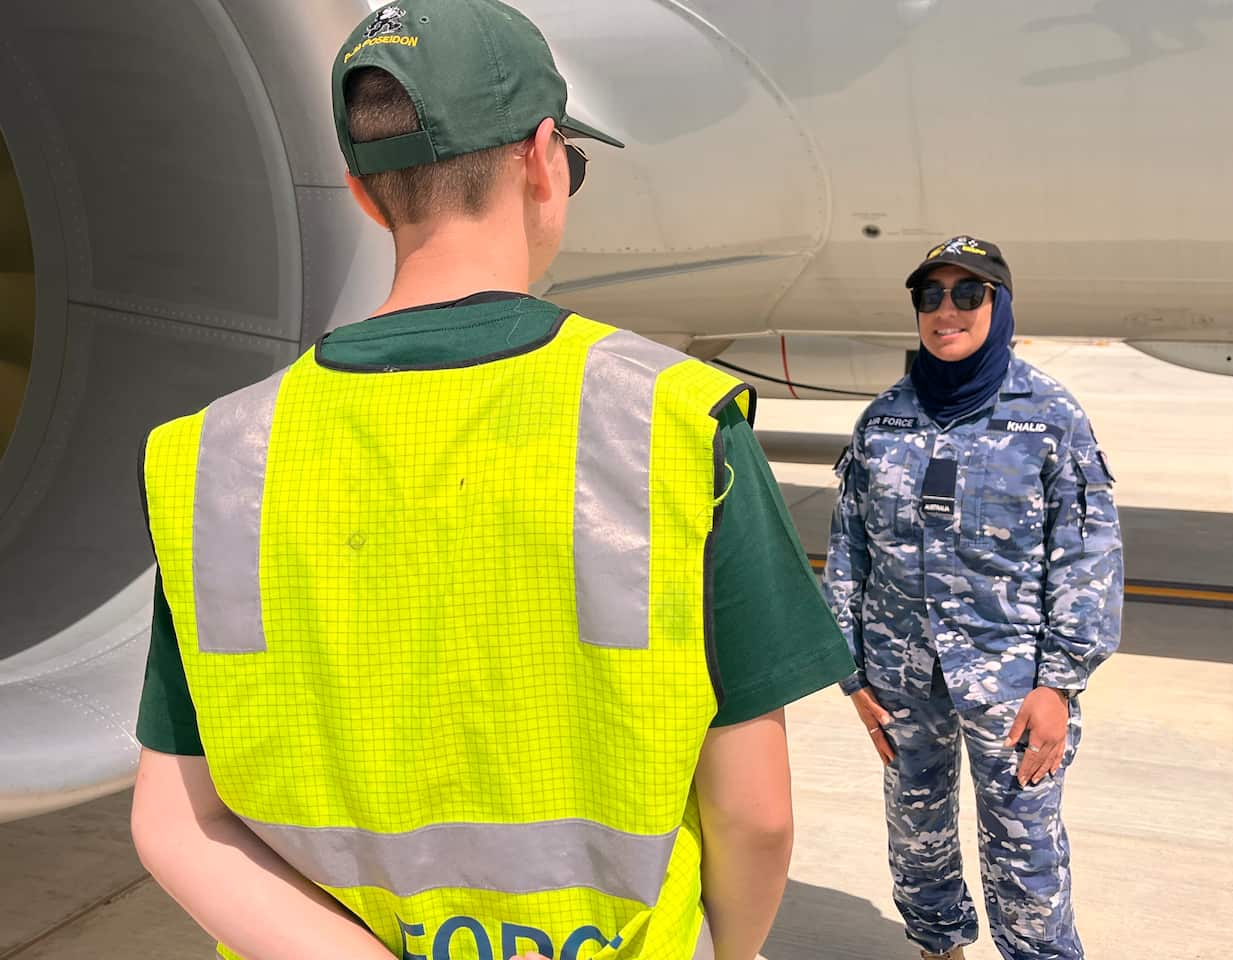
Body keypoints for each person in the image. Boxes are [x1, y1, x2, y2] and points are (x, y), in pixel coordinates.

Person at [129, 3, 854, 960]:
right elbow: (756, 816)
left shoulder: (212, 456)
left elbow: (176, 823)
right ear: (544, 159)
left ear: (362, 191)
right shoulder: (676, 422)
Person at [822, 236, 1123, 960]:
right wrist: (851, 674)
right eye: (930, 297)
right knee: (916, 834)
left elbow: (1088, 556)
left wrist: (1060, 682)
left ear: (999, 304)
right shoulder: (884, 420)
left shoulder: (1049, 416)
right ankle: (937, 946)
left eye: (967, 294)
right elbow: (849, 550)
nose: (945, 311)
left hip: (1013, 684)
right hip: (902, 679)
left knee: (1027, 853)